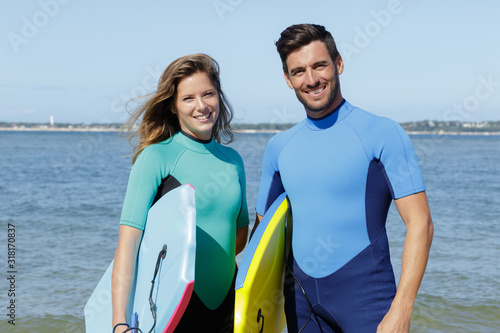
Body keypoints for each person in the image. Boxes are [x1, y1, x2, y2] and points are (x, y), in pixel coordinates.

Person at [253, 24, 434, 333]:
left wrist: (402, 310)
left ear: (338, 63)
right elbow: (263, 237)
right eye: (298, 71)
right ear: (287, 79)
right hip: (301, 304)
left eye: (319, 65)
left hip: (367, 301)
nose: (311, 80)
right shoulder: (279, 148)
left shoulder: (383, 134)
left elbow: (421, 223)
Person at [111, 53, 249, 333]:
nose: (201, 106)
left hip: (228, 306)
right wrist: (119, 323)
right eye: (188, 98)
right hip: (172, 305)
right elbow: (128, 245)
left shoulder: (233, 161)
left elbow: (239, 237)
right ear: (173, 106)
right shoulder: (155, 157)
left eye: (208, 94)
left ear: (218, 97)